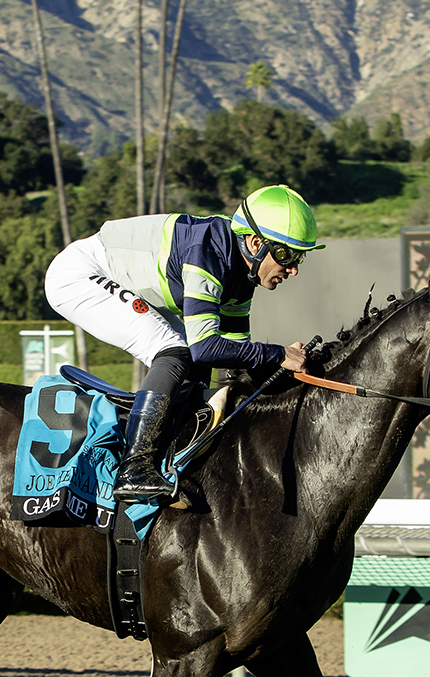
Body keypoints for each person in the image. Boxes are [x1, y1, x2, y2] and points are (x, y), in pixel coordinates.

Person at [44, 184, 323, 503]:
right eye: (286, 254)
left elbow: (231, 356)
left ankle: (173, 455)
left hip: (117, 278)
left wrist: (286, 375)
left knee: (193, 364)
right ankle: (134, 468)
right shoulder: (207, 253)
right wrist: (277, 354)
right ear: (255, 242)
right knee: (175, 351)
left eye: (300, 256)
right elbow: (205, 347)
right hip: (78, 275)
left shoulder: (242, 276)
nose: (294, 269)